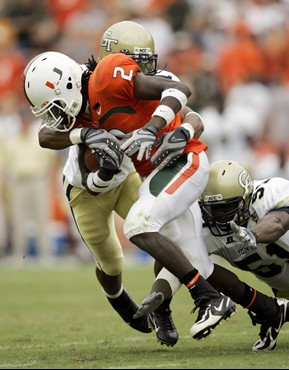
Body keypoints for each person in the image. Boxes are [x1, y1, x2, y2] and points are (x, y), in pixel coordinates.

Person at [23, 20, 235, 342]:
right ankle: (120, 300)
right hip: (86, 188)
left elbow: (188, 109)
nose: (142, 68)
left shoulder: (108, 80)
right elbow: (48, 137)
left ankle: (168, 306)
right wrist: (87, 134)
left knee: (157, 233)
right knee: (111, 262)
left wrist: (174, 130)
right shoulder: (81, 101)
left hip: (128, 176)